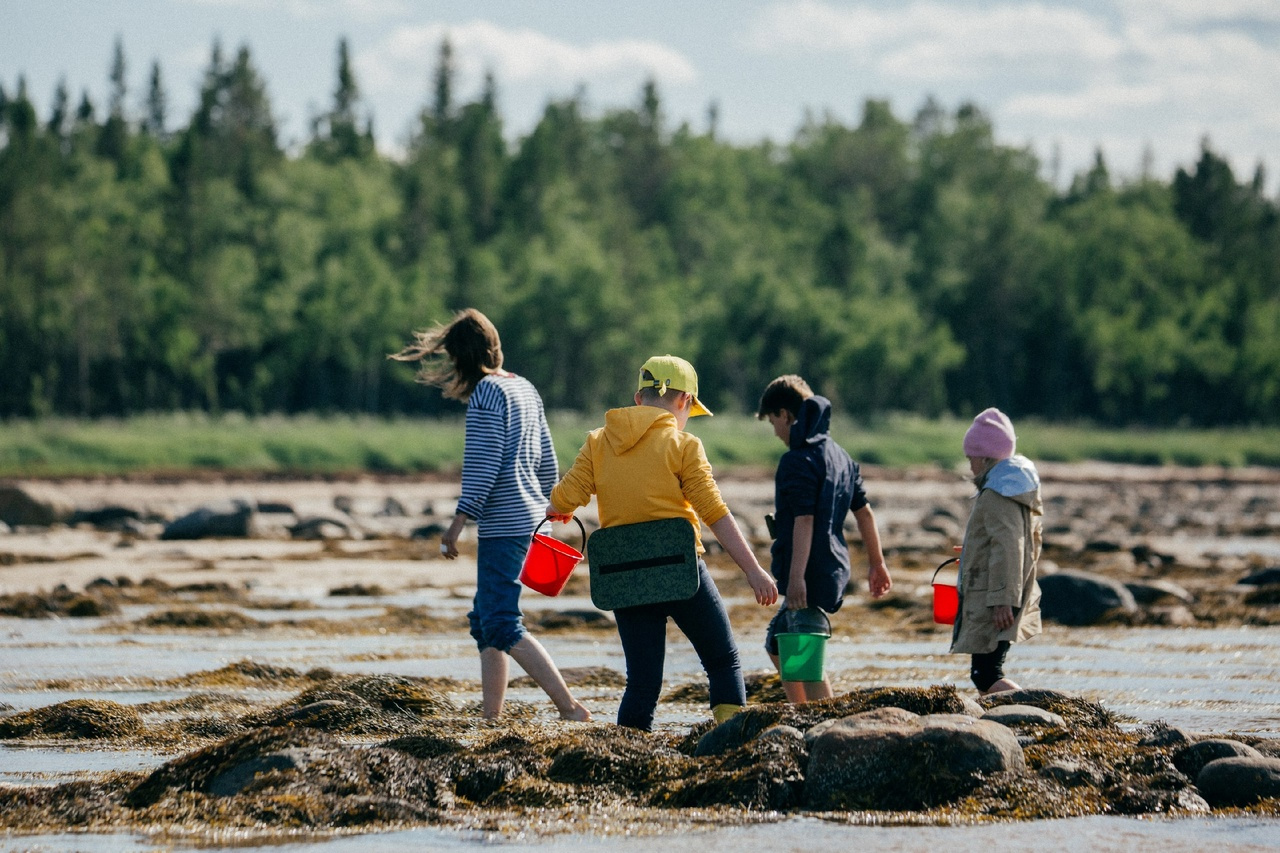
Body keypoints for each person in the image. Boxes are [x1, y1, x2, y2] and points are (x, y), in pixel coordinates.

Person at [546, 355, 778, 730]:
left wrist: (557, 510)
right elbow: (714, 512)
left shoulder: (597, 443)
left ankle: (629, 756)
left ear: (639, 398)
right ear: (685, 400)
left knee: (641, 683)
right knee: (722, 662)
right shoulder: (683, 445)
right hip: (681, 574)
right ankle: (728, 744)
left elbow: (563, 499)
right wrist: (753, 571)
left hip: (625, 580)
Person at [390, 308, 590, 722]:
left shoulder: (486, 394)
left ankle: (570, 708)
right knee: (486, 621)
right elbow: (547, 457)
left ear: (461, 357)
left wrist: (457, 523)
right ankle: (491, 718)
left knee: (501, 622)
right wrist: (553, 510)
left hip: (505, 522)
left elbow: (485, 464)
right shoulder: (524, 387)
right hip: (531, 517)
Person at [756, 375, 893, 703]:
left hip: (808, 571)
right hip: (831, 568)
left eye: (774, 421)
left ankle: (820, 718)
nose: (775, 431)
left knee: (805, 655)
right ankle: (802, 712)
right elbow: (865, 514)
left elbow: (805, 520)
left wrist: (797, 577)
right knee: (778, 642)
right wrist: (878, 564)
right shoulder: (841, 457)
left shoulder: (797, 460)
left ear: (787, 415)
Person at [950, 407, 1043, 696]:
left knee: (986, 674)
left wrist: (1003, 600)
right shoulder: (1011, 487)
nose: (970, 466)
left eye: (971, 458)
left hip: (996, 597)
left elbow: (1008, 547)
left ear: (986, 456)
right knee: (986, 672)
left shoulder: (997, 495)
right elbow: (1001, 542)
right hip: (999, 592)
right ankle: (1009, 717)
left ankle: (1026, 713)